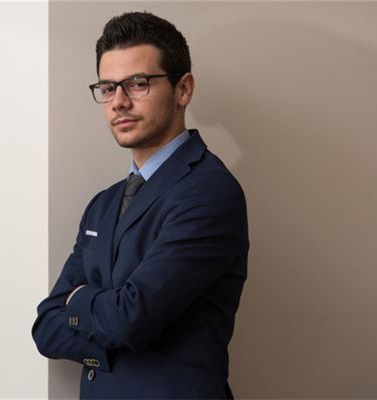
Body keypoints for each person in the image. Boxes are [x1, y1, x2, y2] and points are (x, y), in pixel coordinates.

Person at [32, 11, 249, 399]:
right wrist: (109, 328)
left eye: (137, 84)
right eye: (107, 87)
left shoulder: (209, 192)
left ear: (183, 89)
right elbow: (47, 327)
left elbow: (130, 318)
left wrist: (78, 301)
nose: (118, 102)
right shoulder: (103, 204)